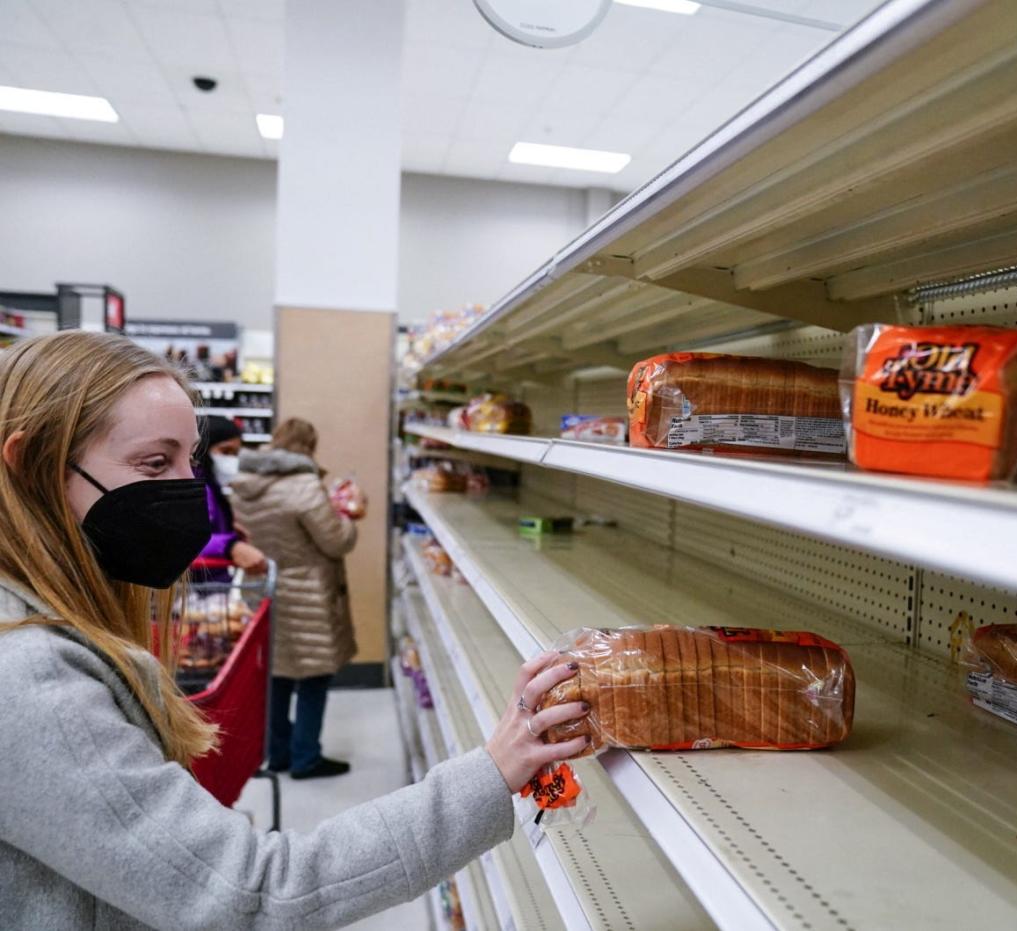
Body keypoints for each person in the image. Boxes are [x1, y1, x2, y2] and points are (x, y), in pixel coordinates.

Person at [0, 331, 588, 929]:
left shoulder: (52, 623)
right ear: (31, 466)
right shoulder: (28, 679)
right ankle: (303, 754)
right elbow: (254, 892)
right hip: (312, 597)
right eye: (156, 462)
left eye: (192, 461)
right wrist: (492, 770)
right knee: (308, 683)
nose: (190, 490)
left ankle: (290, 752)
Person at [229, 417, 364, 779]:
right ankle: (307, 758)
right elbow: (335, 540)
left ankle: (278, 754)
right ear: (308, 447)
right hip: (307, 593)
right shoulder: (304, 486)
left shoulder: (244, 483)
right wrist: (351, 515)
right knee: (314, 676)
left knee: (277, 675)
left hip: (264, 588)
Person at [195, 414, 266, 576]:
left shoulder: (210, 486)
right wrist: (229, 546)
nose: (232, 460)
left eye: (235, 453)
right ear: (203, 449)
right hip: (197, 589)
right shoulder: (197, 488)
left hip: (208, 586)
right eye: (225, 451)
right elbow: (183, 540)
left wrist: (227, 530)